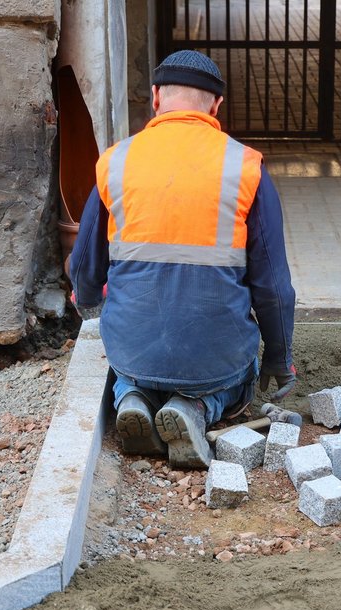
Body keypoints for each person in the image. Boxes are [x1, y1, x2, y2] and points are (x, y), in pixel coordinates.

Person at [69, 50, 296, 469]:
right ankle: (197, 409)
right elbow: (273, 287)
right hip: (215, 360)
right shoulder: (245, 167)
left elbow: (84, 264)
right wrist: (279, 358)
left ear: (155, 97)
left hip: (132, 351)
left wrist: (87, 301)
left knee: (129, 368)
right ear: (216, 106)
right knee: (232, 377)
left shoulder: (116, 162)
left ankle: (131, 397)